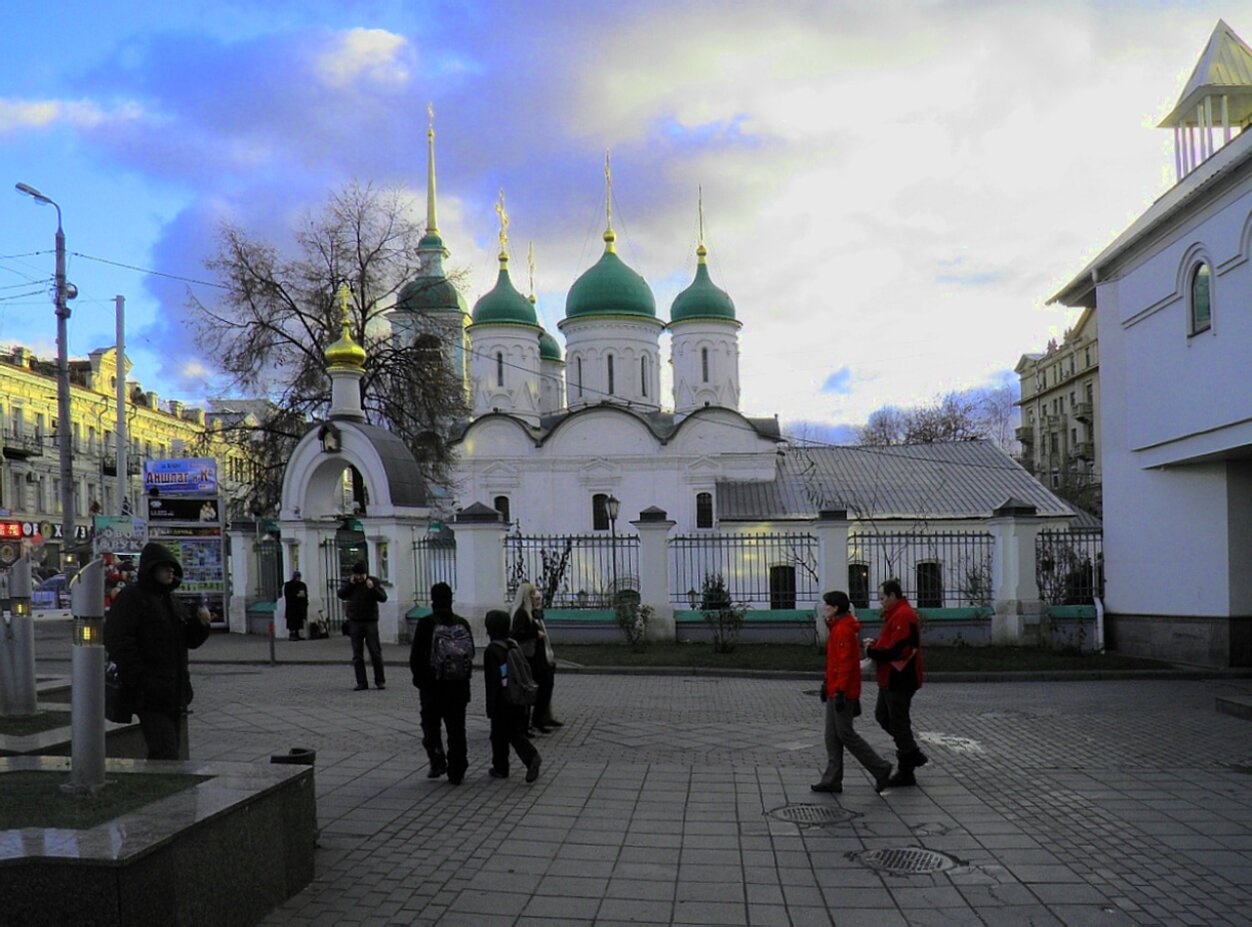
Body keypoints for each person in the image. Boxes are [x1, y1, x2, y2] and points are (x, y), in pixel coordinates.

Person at [104, 541, 212, 760]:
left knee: (169, 750)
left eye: (172, 567)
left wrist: (201, 625)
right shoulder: (132, 599)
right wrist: (141, 680)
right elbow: (118, 642)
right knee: (166, 751)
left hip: (174, 691)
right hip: (149, 693)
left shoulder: (171, 600)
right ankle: (160, 787)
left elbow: (187, 641)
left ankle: (158, 783)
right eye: (165, 567)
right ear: (150, 569)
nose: (170, 570)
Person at [811, 591, 892, 794]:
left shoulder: (843, 630)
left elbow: (846, 664)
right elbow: (835, 663)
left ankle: (880, 768)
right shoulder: (838, 627)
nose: (823, 608)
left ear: (836, 608)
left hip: (843, 691)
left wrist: (839, 690)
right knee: (832, 736)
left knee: (845, 734)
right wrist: (826, 682)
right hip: (836, 688)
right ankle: (832, 778)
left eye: (826, 605)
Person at [865, 579, 928, 787]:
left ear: (893, 596)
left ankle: (906, 767)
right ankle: (911, 753)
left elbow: (899, 650)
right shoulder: (895, 615)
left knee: (898, 722)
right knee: (883, 716)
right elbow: (891, 644)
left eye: (882, 598)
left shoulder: (903, 616)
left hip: (900, 678)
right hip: (890, 677)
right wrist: (875, 645)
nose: (880, 602)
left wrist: (872, 651)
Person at [410, 582, 474, 784]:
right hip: (458, 687)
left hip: (433, 687)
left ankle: (437, 761)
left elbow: (416, 657)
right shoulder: (462, 623)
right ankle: (458, 769)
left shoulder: (426, 624)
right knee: (457, 728)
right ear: (451, 599)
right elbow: (469, 655)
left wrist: (420, 681)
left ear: (432, 600)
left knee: (431, 725)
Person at [482, 609, 542, 783]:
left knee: (500, 735)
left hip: (502, 699)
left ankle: (526, 759)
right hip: (518, 696)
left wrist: (491, 706)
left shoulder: (492, 650)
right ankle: (504, 766)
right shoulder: (513, 644)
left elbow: (492, 681)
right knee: (510, 732)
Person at [510, 581, 561, 733]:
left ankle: (539, 720)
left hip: (541, 658)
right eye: (533, 594)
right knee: (534, 691)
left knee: (545, 689)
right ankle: (529, 724)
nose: (536, 597)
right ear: (526, 596)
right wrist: (535, 634)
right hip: (531, 660)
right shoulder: (521, 613)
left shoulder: (532, 612)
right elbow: (516, 634)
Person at [338, 561, 387, 690]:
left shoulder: (373, 582)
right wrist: (350, 584)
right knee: (357, 653)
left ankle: (380, 681)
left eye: (361, 575)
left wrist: (373, 588)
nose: (359, 577)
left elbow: (383, 598)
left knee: (375, 652)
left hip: (370, 620)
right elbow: (341, 594)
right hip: (355, 621)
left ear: (366, 574)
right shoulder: (351, 583)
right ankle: (361, 682)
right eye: (357, 574)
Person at [282, 570, 308, 641]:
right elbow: (288, 595)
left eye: (299, 577)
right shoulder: (288, 585)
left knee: (299, 621)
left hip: (300, 606)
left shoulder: (302, 585)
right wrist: (296, 595)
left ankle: (297, 634)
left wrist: (305, 603)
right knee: (292, 621)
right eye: (297, 577)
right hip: (292, 606)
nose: (298, 578)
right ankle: (292, 634)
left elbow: (305, 595)